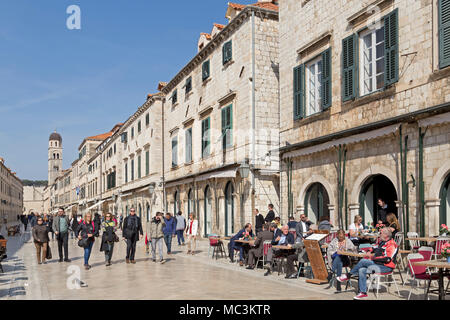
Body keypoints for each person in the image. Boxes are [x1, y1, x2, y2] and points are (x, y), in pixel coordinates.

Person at [337, 228, 399, 300]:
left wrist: (373, 258)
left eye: (381, 233)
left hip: (386, 267)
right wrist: (369, 251)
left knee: (363, 261)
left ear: (386, 235)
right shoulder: (383, 242)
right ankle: (363, 292)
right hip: (379, 264)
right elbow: (374, 247)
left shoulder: (392, 244)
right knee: (361, 270)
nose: (379, 235)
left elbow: (387, 259)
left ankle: (348, 275)